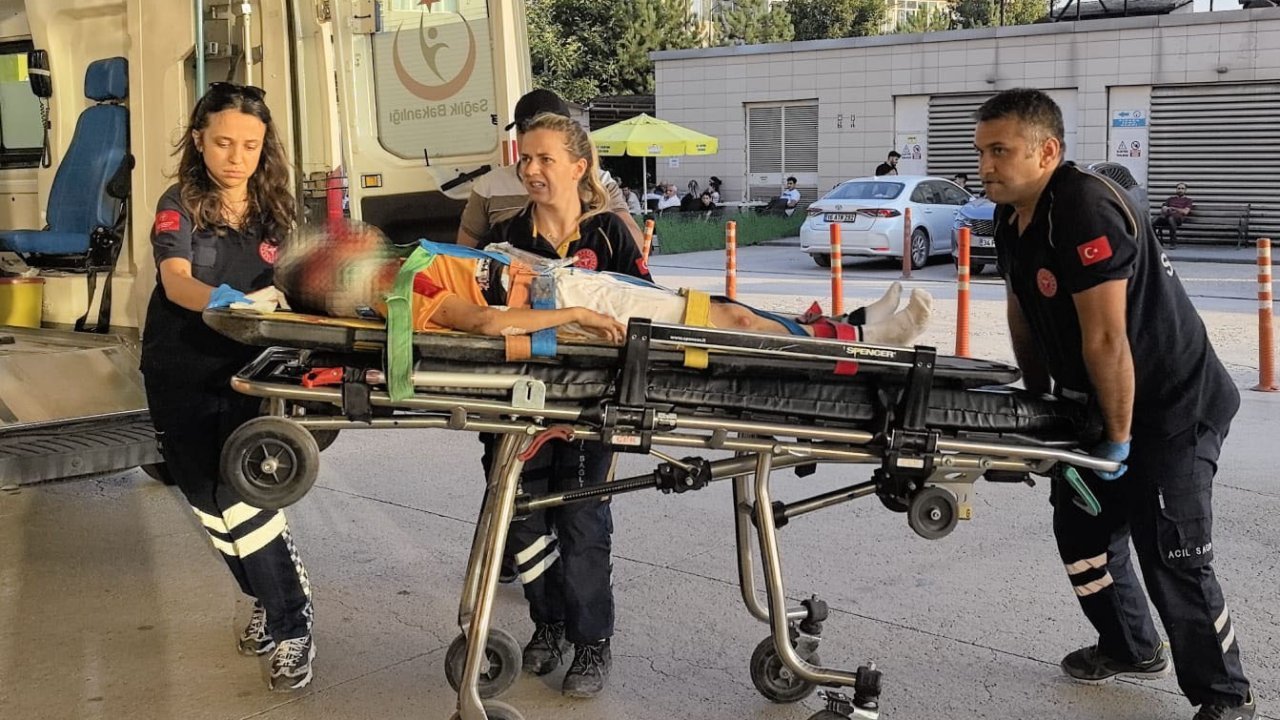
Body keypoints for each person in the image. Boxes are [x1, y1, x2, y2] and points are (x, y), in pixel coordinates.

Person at [975, 88, 1254, 720]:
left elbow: (1106, 337)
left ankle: (1227, 698)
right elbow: (1023, 312)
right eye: (981, 152)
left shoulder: (1084, 207)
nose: (985, 165)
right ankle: (1130, 645)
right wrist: (1036, 404)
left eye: (1000, 151)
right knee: (1082, 532)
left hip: (1174, 407)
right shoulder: (1011, 216)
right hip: (1095, 404)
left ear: (1047, 151)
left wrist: (1120, 440)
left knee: (1171, 552)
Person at [139, 82, 315, 692]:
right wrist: (228, 300)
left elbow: (295, 282)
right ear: (198, 140)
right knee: (204, 500)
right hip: (180, 362)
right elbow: (175, 280)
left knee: (241, 490)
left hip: (252, 367)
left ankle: (292, 622)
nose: (237, 157)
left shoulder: (276, 211)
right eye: (223, 143)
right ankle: (263, 594)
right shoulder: (179, 203)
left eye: (250, 144)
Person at [455, 89, 643, 249]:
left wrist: (592, 226)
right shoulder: (491, 191)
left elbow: (632, 244)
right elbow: (464, 258)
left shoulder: (600, 185)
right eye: (524, 129)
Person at [1153, 182, 1193, 248]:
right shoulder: (1170, 199)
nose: (1180, 190)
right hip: (1166, 217)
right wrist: (1166, 209)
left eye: (1182, 188)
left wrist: (1173, 208)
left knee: (1171, 219)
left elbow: (1185, 212)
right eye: (1179, 188)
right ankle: (1156, 241)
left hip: (1178, 219)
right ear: (1176, 189)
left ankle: (1173, 243)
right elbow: (1163, 208)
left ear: (1185, 190)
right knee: (1153, 220)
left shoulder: (1188, 200)